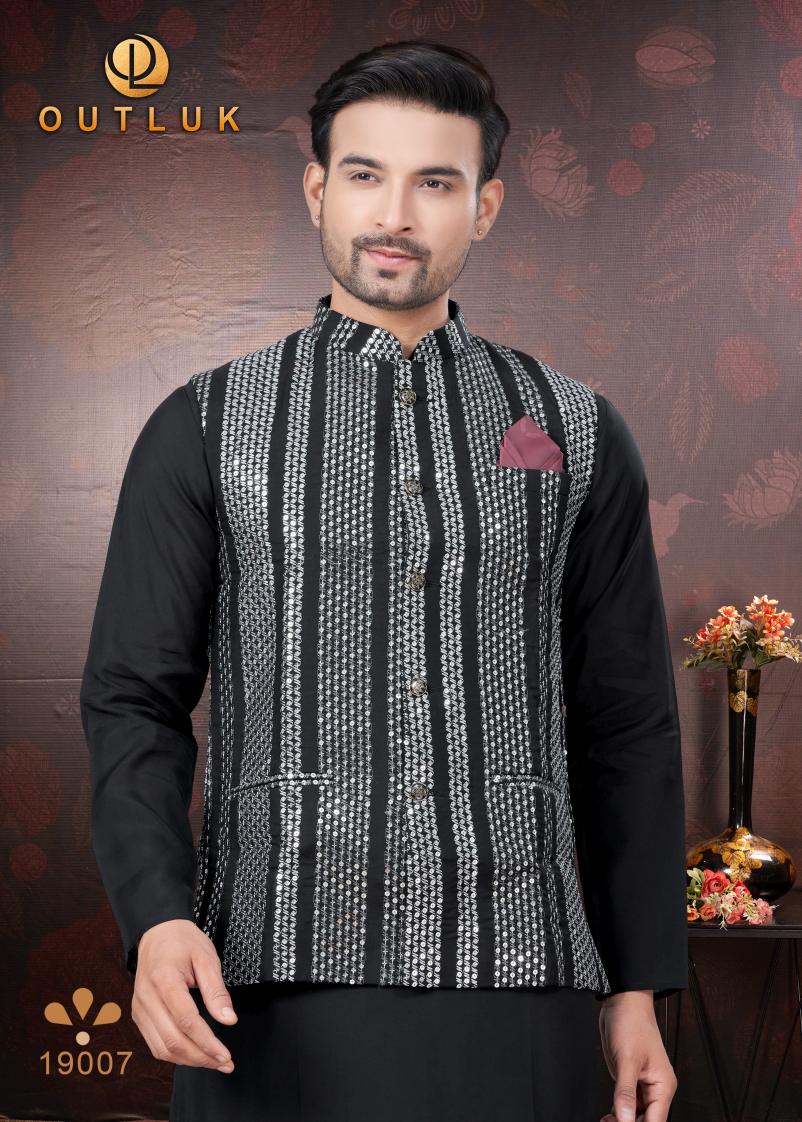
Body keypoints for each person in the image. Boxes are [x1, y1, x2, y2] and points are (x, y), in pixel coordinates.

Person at [80, 38, 687, 1122]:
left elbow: (627, 719)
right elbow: (133, 699)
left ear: (485, 207)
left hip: (521, 971)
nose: (395, 215)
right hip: (262, 972)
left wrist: (634, 984)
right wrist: (158, 916)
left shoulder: (577, 430)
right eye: (365, 174)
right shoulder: (204, 426)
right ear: (319, 188)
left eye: (436, 183)